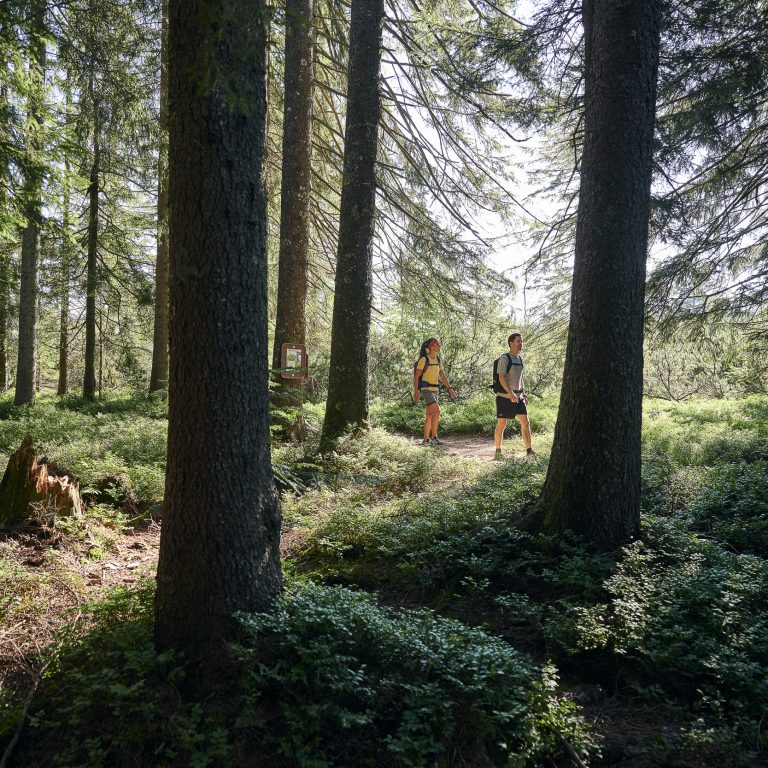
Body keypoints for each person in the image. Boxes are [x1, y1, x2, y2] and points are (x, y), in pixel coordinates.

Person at [494, 333, 535, 460]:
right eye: (518, 341)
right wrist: (510, 393)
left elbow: (521, 379)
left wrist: (524, 394)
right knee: (502, 423)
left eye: (521, 341)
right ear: (511, 343)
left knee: (525, 422)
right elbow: (501, 377)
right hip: (504, 397)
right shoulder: (504, 358)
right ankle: (498, 451)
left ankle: (529, 450)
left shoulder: (520, 359)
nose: (520, 343)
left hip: (519, 397)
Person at [413, 338, 456, 446]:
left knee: (431, 414)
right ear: (431, 347)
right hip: (426, 389)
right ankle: (433, 437)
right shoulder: (424, 360)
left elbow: (442, 375)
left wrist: (450, 389)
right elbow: (417, 376)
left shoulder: (438, 360)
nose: (439, 346)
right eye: (437, 344)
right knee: (437, 410)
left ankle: (427, 440)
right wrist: (416, 392)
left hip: (435, 390)